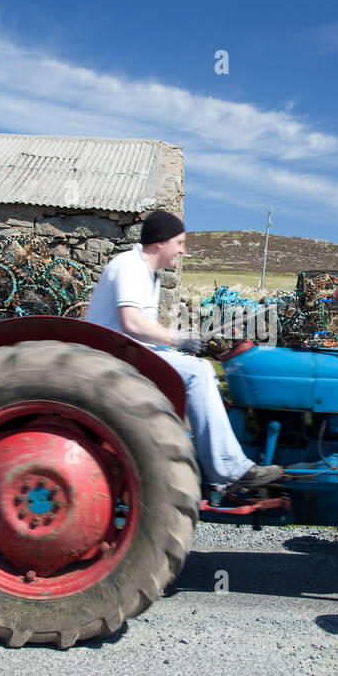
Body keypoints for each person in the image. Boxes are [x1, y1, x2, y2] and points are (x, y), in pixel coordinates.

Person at [84, 210, 283, 493]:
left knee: (192, 367)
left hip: (126, 354)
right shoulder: (130, 265)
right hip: (111, 358)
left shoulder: (148, 274)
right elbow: (131, 322)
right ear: (160, 242)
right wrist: (177, 338)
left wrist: (179, 344)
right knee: (199, 371)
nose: (182, 250)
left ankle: (201, 452)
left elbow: (140, 331)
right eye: (179, 242)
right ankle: (229, 470)